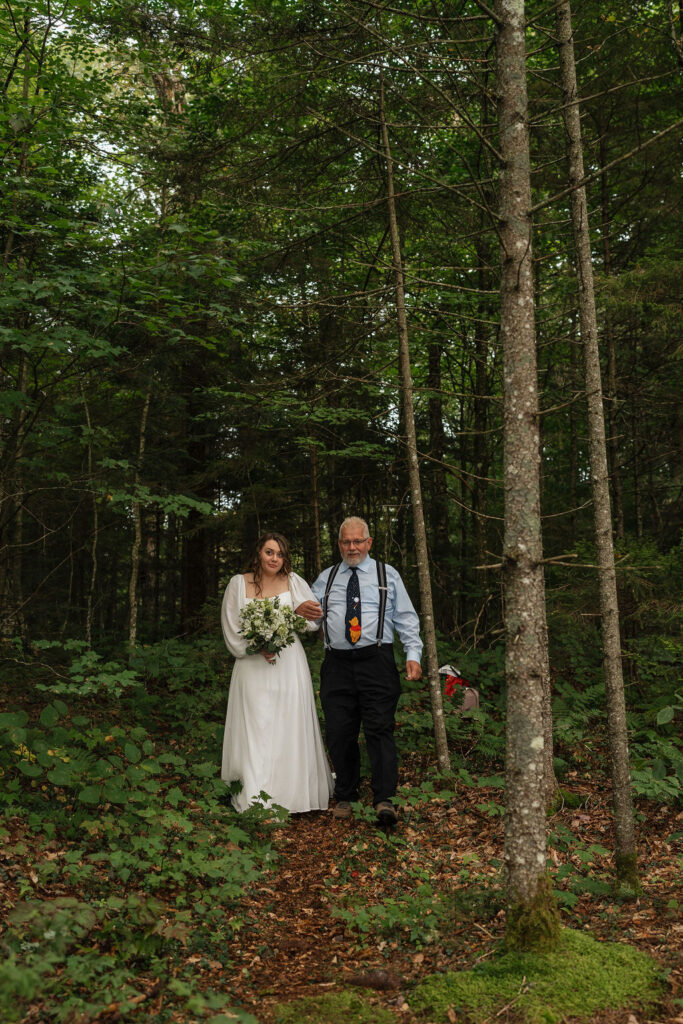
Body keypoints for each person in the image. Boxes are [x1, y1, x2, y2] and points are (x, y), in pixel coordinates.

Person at [296, 516, 423, 825]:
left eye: (357, 541)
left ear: (368, 543)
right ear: (339, 544)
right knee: (340, 731)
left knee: (379, 728)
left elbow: (406, 617)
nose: (352, 547)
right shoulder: (326, 578)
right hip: (336, 664)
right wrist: (302, 614)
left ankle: (384, 799)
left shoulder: (387, 574)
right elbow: (312, 623)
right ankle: (346, 795)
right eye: (346, 542)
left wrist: (413, 653)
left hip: (376, 661)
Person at [220, 532, 333, 814]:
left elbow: (312, 622)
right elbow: (231, 627)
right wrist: (254, 647)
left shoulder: (293, 581)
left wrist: (296, 614)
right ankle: (256, 797)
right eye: (270, 552)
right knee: (255, 727)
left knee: (288, 723)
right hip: (251, 667)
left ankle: (293, 796)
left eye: (280, 554)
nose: (275, 558)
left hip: (288, 663)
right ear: (259, 552)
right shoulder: (238, 583)